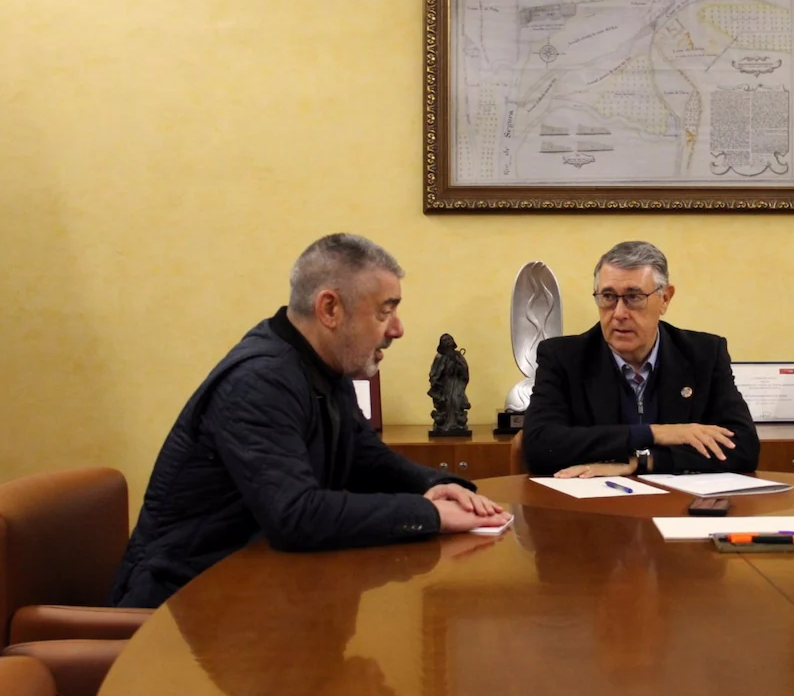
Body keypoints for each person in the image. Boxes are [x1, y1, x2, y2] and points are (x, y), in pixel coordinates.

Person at [109, 234, 510, 608]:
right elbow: (295, 515)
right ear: (330, 309)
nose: (398, 329)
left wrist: (438, 486)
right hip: (184, 609)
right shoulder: (260, 381)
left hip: (258, 594)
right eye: (385, 311)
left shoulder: (319, 365)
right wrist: (431, 516)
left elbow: (366, 458)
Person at [521, 240, 760, 477]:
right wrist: (655, 433)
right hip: (595, 508)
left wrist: (643, 461)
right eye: (608, 297)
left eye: (634, 297)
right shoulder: (563, 358)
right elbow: (540, 446)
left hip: (678, 507)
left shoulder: (704, 354)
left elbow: (744, 448)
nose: (619, 313)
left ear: (665, 299)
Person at [428, 333, 470, 433]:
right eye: (445, 340)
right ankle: (444, 424)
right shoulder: (439, 357)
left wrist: (459, 366)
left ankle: (457, 423)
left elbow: (464, 370)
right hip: (444, 384)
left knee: (456, 400)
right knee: (445, 402)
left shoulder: (458, 355)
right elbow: (434, 372)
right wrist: (436, 381)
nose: (447, 342)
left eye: (449, 340)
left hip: (455, 383)